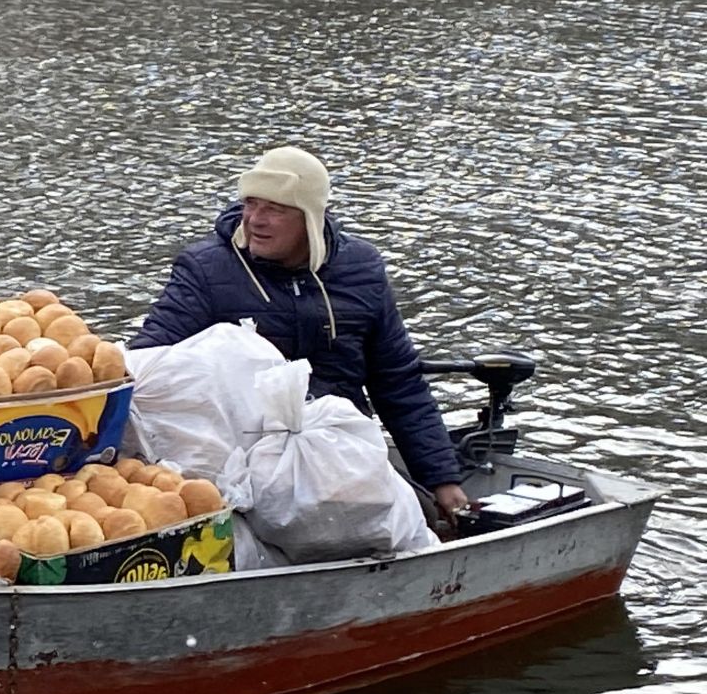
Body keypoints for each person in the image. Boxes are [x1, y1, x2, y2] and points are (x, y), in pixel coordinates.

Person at [129, 145, 468, 520]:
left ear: (309, 218)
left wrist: (441, 478)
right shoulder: (207, 271)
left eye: (274, 209)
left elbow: (398, 383)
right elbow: (149, 364)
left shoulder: (361, 270)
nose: (256, 220)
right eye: (251, 204)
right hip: (241, 462)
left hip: (341, 451)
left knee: (422, 519)